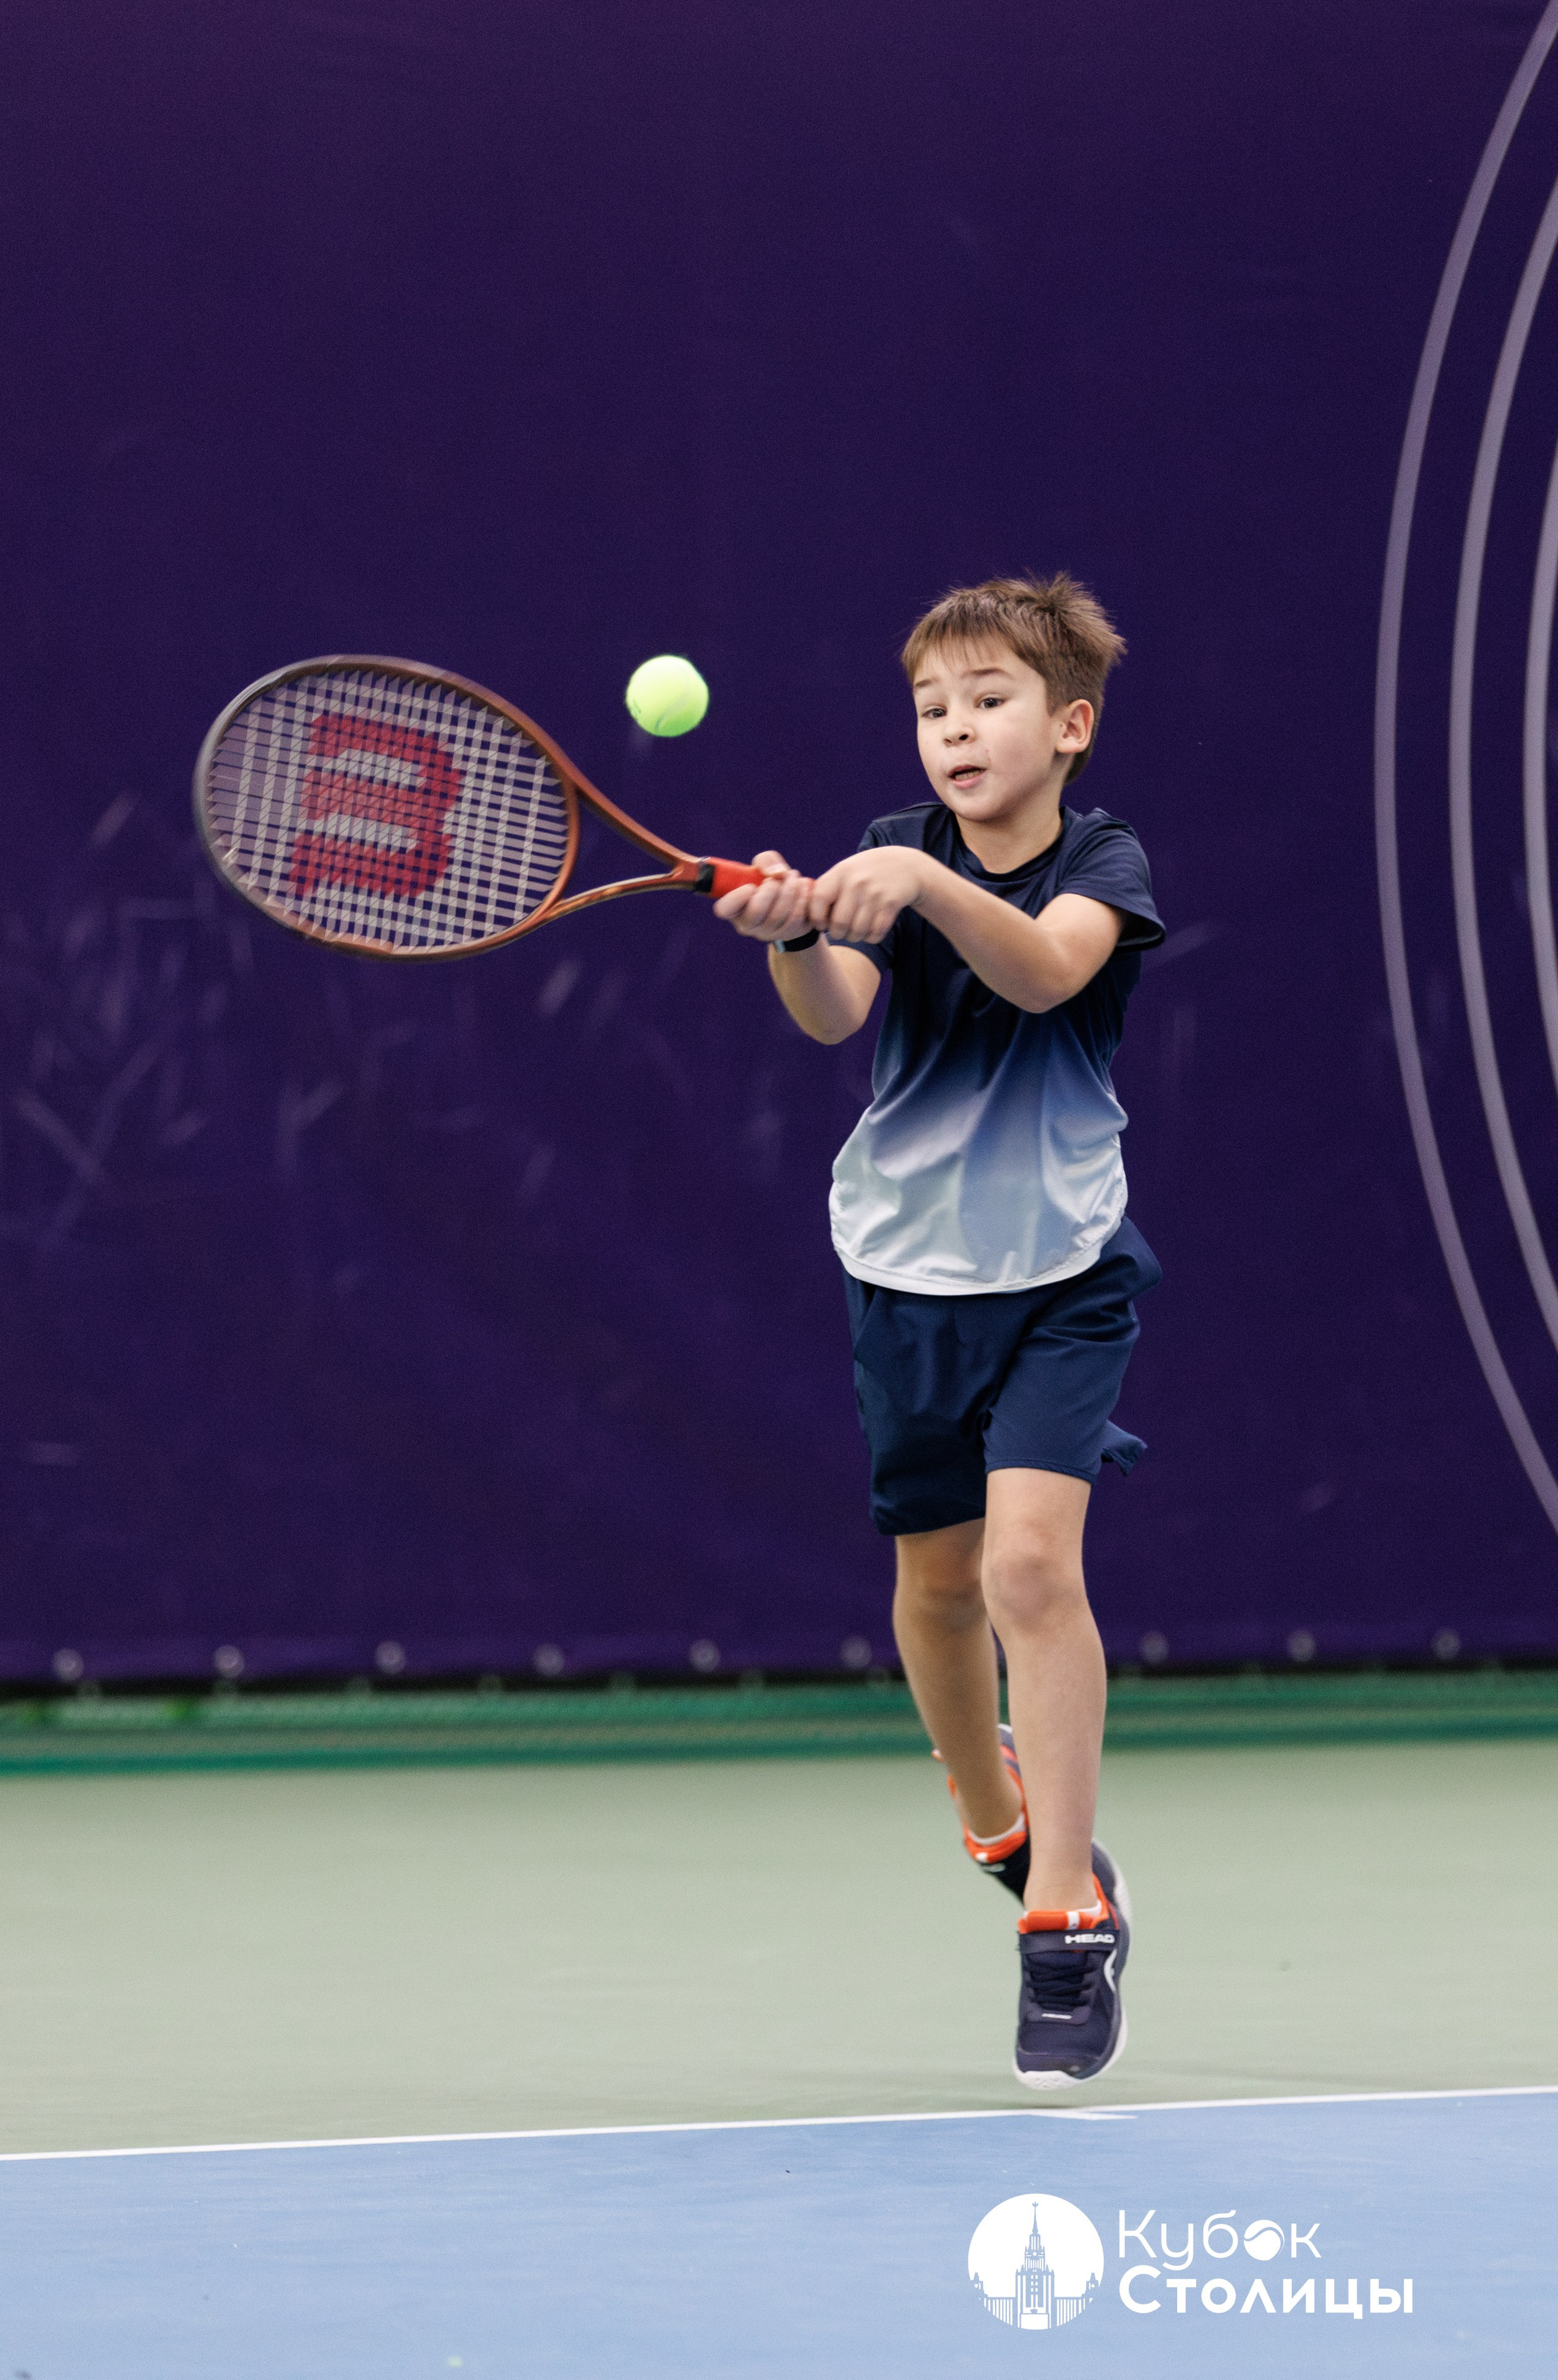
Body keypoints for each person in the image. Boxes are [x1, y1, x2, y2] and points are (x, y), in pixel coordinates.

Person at [713, 574, 1164, 2088]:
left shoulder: (1101, 860)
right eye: (930, 708)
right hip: (904, 1272)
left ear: (1068, 725)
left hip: (1061, 1271)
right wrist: (793, 931)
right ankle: (991, 1807)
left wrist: (914, 888)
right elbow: (837, 1014)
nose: (955, 729)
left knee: (1033, 1565)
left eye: (987, 701)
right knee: (934, 1584)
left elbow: (1045, 972)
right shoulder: (889, 852)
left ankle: (1060, 1915)